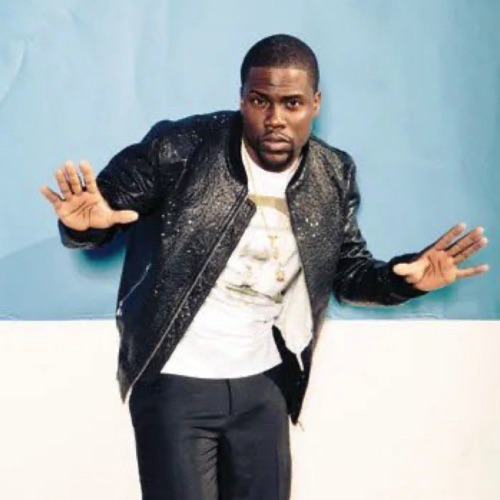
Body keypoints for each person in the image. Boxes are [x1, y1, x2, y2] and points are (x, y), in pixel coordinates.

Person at [41, 34, 488, 500]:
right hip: (175, 383)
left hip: (264, 386)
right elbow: (107, 207)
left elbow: (348, 272)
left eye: (292, 103)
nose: (275, 119)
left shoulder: (333, 174)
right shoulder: (181, 147)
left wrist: (404, 279)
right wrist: (83, 228)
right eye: (260, 101)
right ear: (242, 99)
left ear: (315, 104)